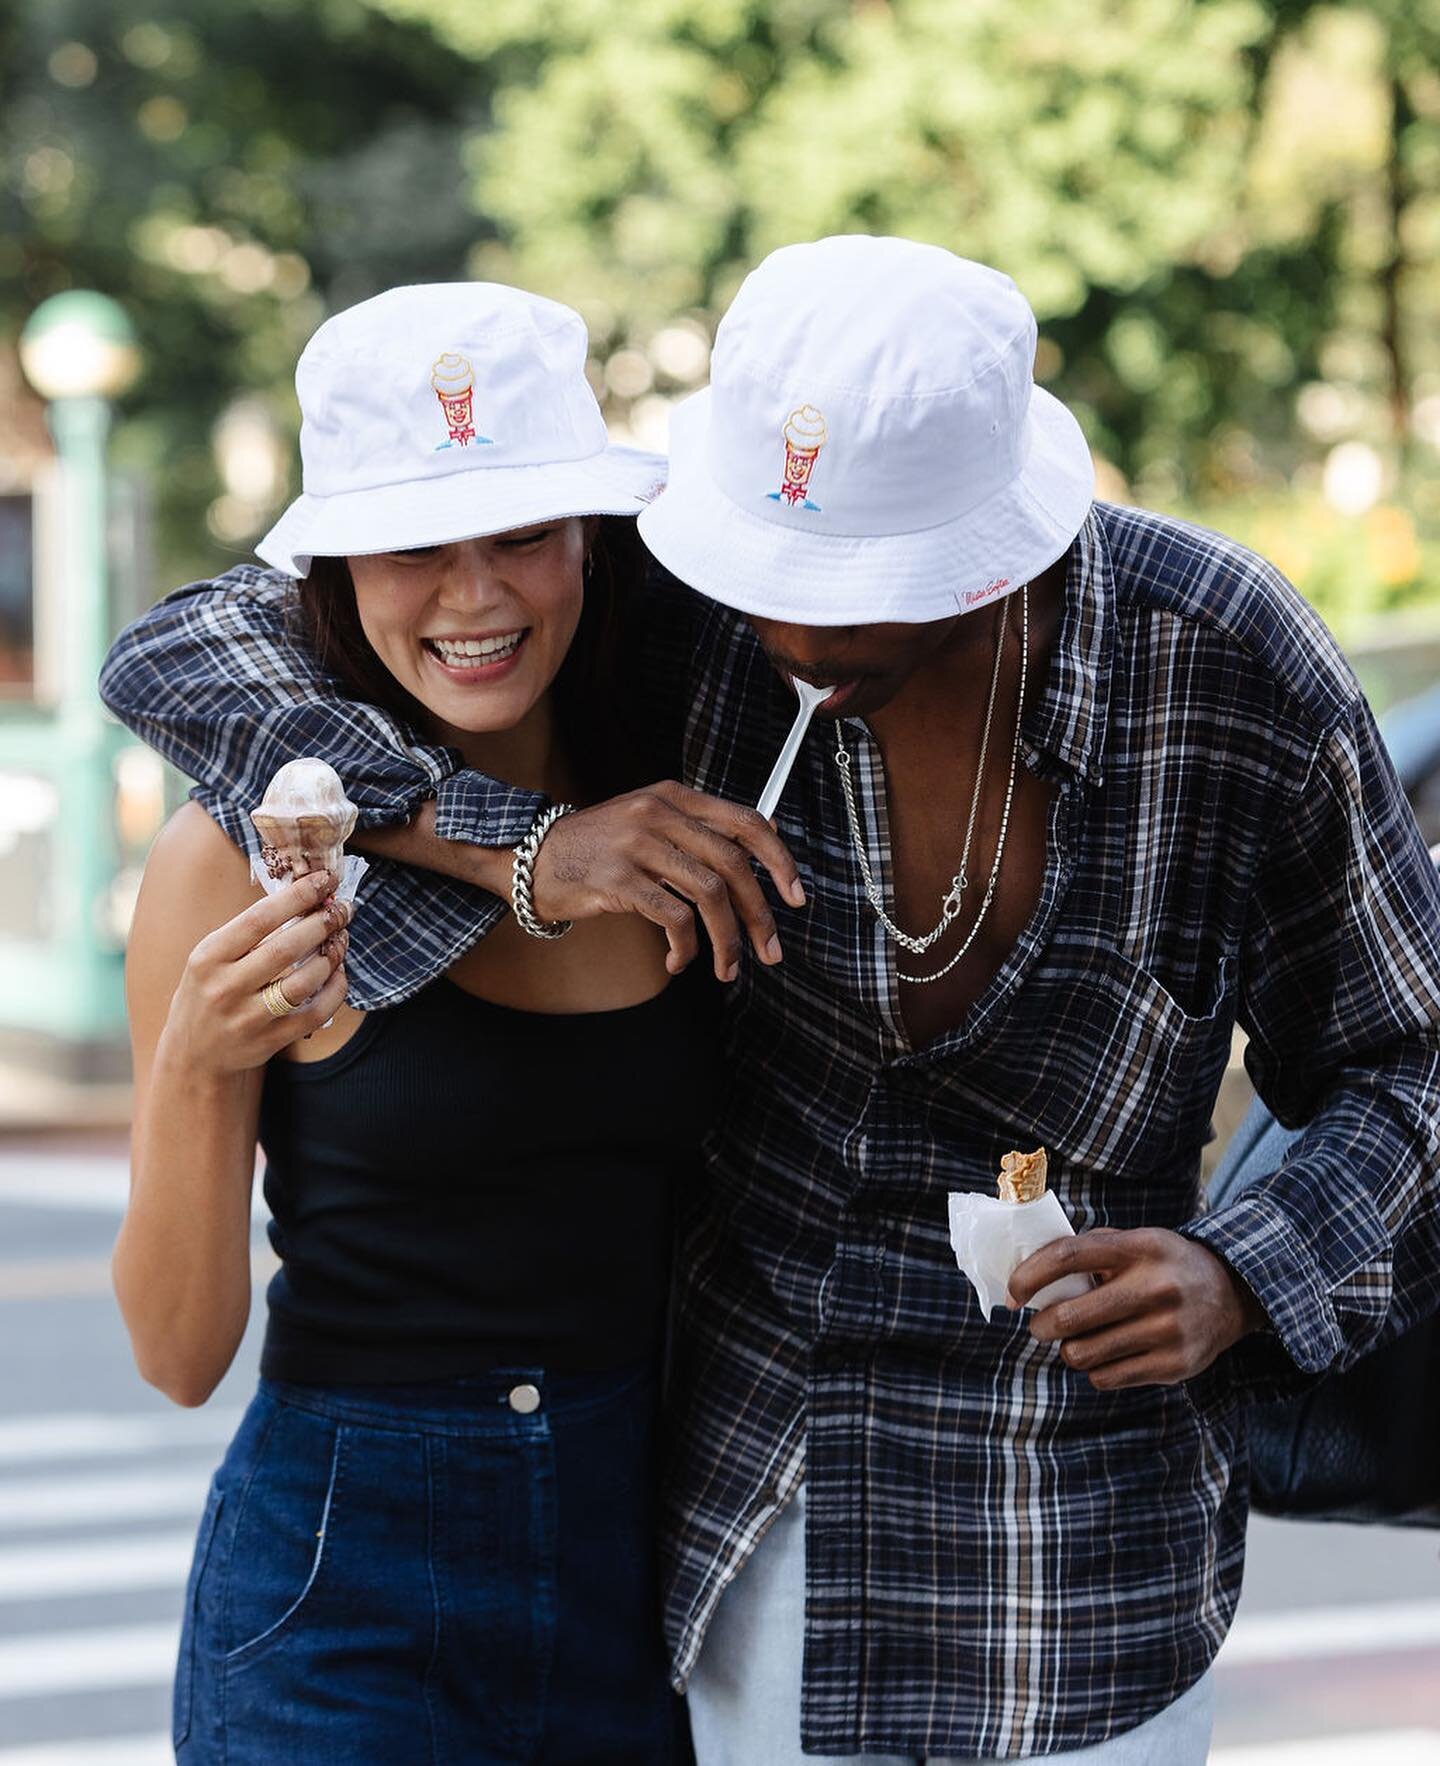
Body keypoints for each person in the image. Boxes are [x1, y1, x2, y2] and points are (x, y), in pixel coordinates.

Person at [102, 239, 1440, 1764]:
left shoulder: (1223, 670)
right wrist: (524, 845)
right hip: (709, 1544)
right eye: (776, 583)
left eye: (871, 591)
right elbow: (189, 651)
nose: (799, 639)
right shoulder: (681, 615)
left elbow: (1412, 1055)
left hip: (1074, 1561)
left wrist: (1245, 1272)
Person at [109, 279, 803, 1764]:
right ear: (339, 569)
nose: (476, 595)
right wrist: (190, 1056)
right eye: (414, 545)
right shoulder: (230, 859)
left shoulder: (671, 812)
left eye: (523, 535)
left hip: (642, 1575)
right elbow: (177, 1352)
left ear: (590, 548)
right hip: (338, 1600)